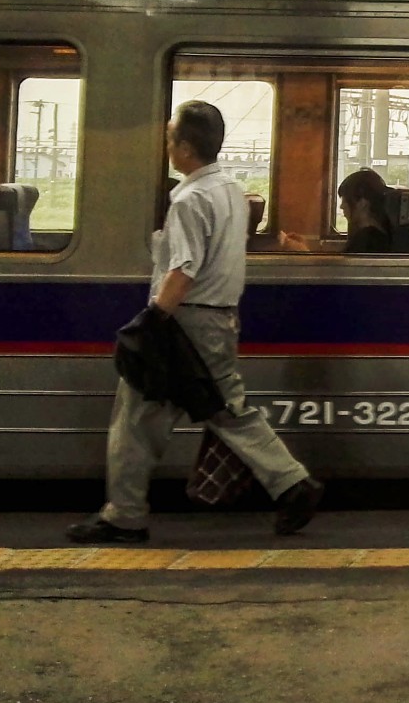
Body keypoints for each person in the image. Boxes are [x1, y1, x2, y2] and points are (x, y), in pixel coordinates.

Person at [67, 100, 324, 542]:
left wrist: (152, 320)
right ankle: (292, 483)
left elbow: (183, 268)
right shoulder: (230, 191)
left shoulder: (189, 199)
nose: (167, 145)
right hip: (221, 321)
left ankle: (125, 515)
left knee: (136, 417)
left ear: (185, 147)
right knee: (229, 411)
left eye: (170, 138)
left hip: (182, 323)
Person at [335, 167, 396, 254]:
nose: (342, 206)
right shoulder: (382, 235)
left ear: (362, 203)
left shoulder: (366, 240)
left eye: (345, 201)